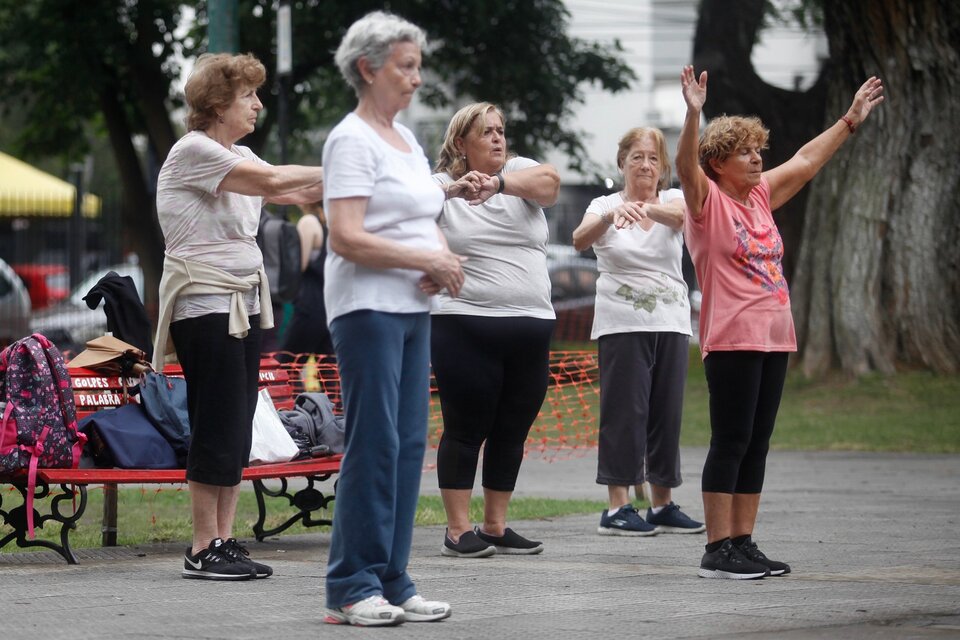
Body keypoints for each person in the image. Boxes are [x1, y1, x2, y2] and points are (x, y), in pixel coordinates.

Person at [676, 65, 884, 579]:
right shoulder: (706, 203)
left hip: (774, 336)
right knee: (731, 441)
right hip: (732, 338)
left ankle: (743, 542)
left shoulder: (762, 196)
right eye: (745, 151)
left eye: (757, 151)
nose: (756, 158)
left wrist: (850, 121)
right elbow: (684, 167)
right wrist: (693, 114)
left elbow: (807, 160)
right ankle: (716, 548)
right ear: (718, 162)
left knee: (757, 442)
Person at [320, 12, 482, 626]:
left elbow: (419, 212)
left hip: (414, 307)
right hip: (366, 309)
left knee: (410, 444)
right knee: (376, 442)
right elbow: (347, 237)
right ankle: (350, 585)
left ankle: (392, 577)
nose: (416, 79)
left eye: (417, 66)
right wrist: (423, 256)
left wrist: (435, 257)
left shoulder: (407, 140)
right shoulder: (350, 140)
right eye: (405, 67)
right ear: (368, 68)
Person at [153, 52, 324, 581]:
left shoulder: (239, 155)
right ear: (217, 103)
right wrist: (353, 162)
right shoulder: (195, 150)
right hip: (205, 305)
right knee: (215, 423)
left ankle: (224, 541)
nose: (256, 103)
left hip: (243, 305)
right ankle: (202, 546)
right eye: (247, 95)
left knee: (236, 426)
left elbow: (296, 190)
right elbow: (276, 185)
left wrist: (416, 183)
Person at [431, 102, 560, 558]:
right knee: (466, 429)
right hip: (465, 324)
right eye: (486, 133)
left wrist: (499, 184)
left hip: (531, 327)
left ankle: (495, 525)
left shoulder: (520, 174)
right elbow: (407, 216)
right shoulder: (438, 186)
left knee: (512, 430)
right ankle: (457, 529)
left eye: (501, 131)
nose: (498, 139)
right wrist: (453, 192)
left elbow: (550, 184)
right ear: (461, 143)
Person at [571, 127, 704, 537]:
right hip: (622, 322)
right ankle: (618, 506)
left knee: (666, 413)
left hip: (671, 320)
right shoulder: (603, 204)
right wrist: (613, 215)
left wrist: (645, 210)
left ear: (663, 168)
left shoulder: (673, 200)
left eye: (653, 159)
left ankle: (661, 504)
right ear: (622, 163)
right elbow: (578, 239)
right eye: (637, 157)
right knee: (625, 414)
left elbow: (687, 218)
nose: (645, 165)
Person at [278, 203, 334, 358]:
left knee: (288, 364)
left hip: (309, 304)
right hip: (332, 304)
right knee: (329, 371)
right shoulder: (334, 221)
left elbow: (298, 265)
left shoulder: (309, 222)